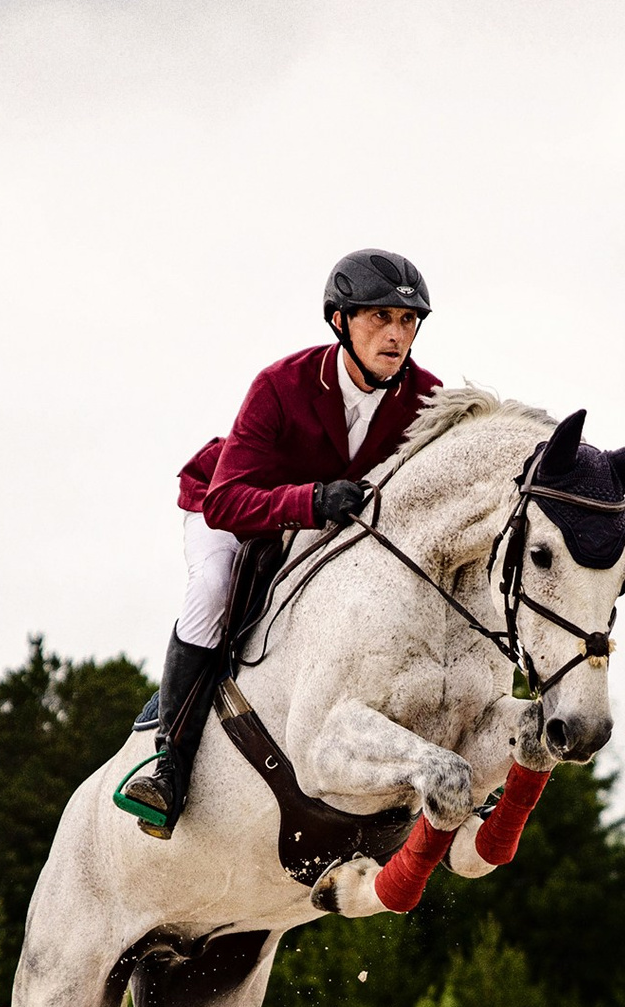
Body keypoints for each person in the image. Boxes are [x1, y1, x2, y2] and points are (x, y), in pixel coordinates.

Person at [116, 248, 443, 835]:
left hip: (329, 528)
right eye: (379, 318)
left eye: (407, 321)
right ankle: (169, 765)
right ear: (340, 322)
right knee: (214, 588)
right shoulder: (280, 385)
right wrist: (311, 502)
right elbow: (225, 502)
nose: (396, 335)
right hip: (234, 509)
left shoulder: (425, 397)